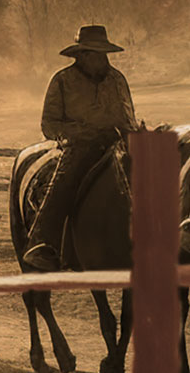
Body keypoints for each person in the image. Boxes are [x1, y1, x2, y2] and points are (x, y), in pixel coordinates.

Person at [22, 24, 138, 271]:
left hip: (118, 142)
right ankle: (43, 242)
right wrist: (83, 132)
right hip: (81, 146)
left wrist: (133, 133)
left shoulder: (117, 79)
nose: (101, 59)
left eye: (103, 53)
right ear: (81, 56)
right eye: (94, 53)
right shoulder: (62, 81)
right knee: (65, 180)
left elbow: (129, 118)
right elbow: (49, 124)